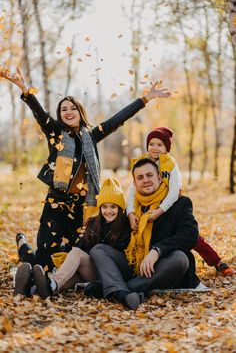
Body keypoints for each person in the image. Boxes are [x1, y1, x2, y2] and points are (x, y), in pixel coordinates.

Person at [0, 66, 171, 272]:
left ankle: (34, 251)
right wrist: (25, 90)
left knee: (75, 254)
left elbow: (117, 119)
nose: (68, 112)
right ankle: (25, 248)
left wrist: (145, 99)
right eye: (64, 109)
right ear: (60, 115)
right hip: (57, 203)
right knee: (42, 263)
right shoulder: (56, 134)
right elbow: (39, 113)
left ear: (80, 113)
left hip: (83, 205)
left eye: (73, 108)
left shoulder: (92, 136)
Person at [89, 158, 201, 310]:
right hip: (135, 265)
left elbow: (190, 234)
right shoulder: (131, 208)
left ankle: (117, 289)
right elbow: (113, 229)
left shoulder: (180, 203)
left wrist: (157, 250)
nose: (146, 180)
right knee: (99, 250)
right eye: (140, 177)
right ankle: (123, 292)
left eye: (150, 175)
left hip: (163, 266)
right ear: (135, 184)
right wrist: (89, 230)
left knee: (180, 259)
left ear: (160, 177)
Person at [127, 127, 234, 276]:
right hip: (149, 203)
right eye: (151, 144)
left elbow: (174, 192)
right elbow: (132, 190)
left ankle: (217, 261)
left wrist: (160, 210)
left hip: (170, 205)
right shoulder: (142, 162)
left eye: (160, 145)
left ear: (166, 148)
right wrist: (130, 212)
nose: (155, 148)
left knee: (194, 238)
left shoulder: (170, 164)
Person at [14, 177, 131, 299]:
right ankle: (32, 290)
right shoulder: (93, 223)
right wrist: (86, 240)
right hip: (90, 270)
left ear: (120, 208)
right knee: (66, 279)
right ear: (100, 207)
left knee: (77, 255)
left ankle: (50, 283)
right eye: (104, 207)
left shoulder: (125, 227)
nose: (108, 211)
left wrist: (88, 247)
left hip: (108, 274)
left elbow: (110, 254)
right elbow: (80, 245)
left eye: (113, 207)